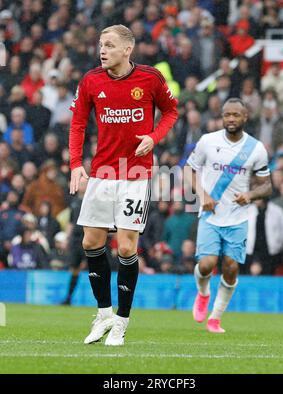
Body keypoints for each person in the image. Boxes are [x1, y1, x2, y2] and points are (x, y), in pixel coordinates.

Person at [69, 25, 178, 346]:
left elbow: (171, 110)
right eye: (101, 44)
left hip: (135, 174)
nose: (103, 50)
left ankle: (121, 320)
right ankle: (104, 313)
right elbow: (78, 123)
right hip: (102, 172)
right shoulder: (91, 81)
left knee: (127, 247)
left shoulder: (150, 78)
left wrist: (153, 137)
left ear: (127, 49)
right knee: (90, 242)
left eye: (110, 45)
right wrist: (76, 163)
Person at [185, 98, 272, 333]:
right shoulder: (207, 141)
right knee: (207, 264)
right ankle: (203, 294)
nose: (231, 119)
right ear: (222, 117)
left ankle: (215, 318)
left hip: (238, 216)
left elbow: (267, 186)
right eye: (227, 115)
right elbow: (188, 170)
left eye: (236, 115)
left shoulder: (256, 149)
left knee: (231, 267)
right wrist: (202, 196)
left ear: (245, 117)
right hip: (210, 214)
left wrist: (251, 194)